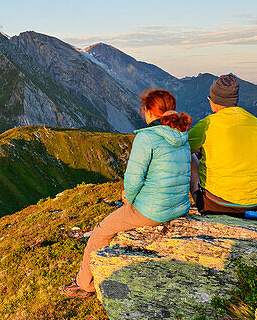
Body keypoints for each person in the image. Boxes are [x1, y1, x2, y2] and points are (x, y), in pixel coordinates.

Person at [62, 89, 193, 299]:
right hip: (180, 205)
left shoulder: (147, 137)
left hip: (153, 210)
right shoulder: (182, 135)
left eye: (145, 109)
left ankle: (84, 285)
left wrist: (129, 201)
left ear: (150, 112)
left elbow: (133, 179)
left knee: (100, 231)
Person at [187, 74, 257, 216]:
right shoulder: (256, 122)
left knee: (190, 156)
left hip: (216, 204)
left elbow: (180, 149)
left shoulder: (208, 123)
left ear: (214, 100)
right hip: (253, 204)